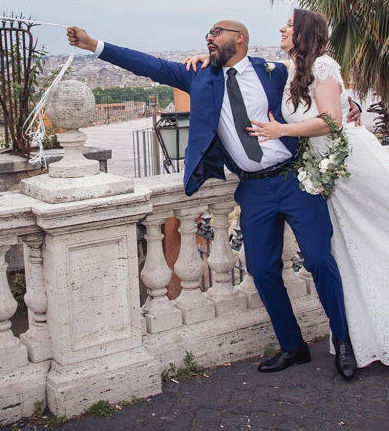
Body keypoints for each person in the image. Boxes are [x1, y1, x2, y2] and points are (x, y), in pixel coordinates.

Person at [186, 9, 389, 368]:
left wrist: (282, 131)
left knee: (364, 240)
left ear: (304, 33)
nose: (281, 29)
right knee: (340, 252)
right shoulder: (285, 71)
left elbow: (330, 120)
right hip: (314, 173)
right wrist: (207, 57)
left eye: (289, 25)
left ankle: (353, 336)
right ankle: (320, 341)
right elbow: (257, 74)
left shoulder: (321, 64)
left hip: (347, 167)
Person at [67, 22, 359, 379]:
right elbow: (148, 65)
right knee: (262, 269)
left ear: (240, 38)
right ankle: (292, 346)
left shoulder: (275, 72)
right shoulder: (200, 76)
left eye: (217, 31)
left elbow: (315, 90)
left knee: (318, 258)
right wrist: (94, 45)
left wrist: (352, 103)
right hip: (253, 190)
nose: (209, 36)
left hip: (294, 178)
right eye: (207, 33)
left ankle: (343, 340)